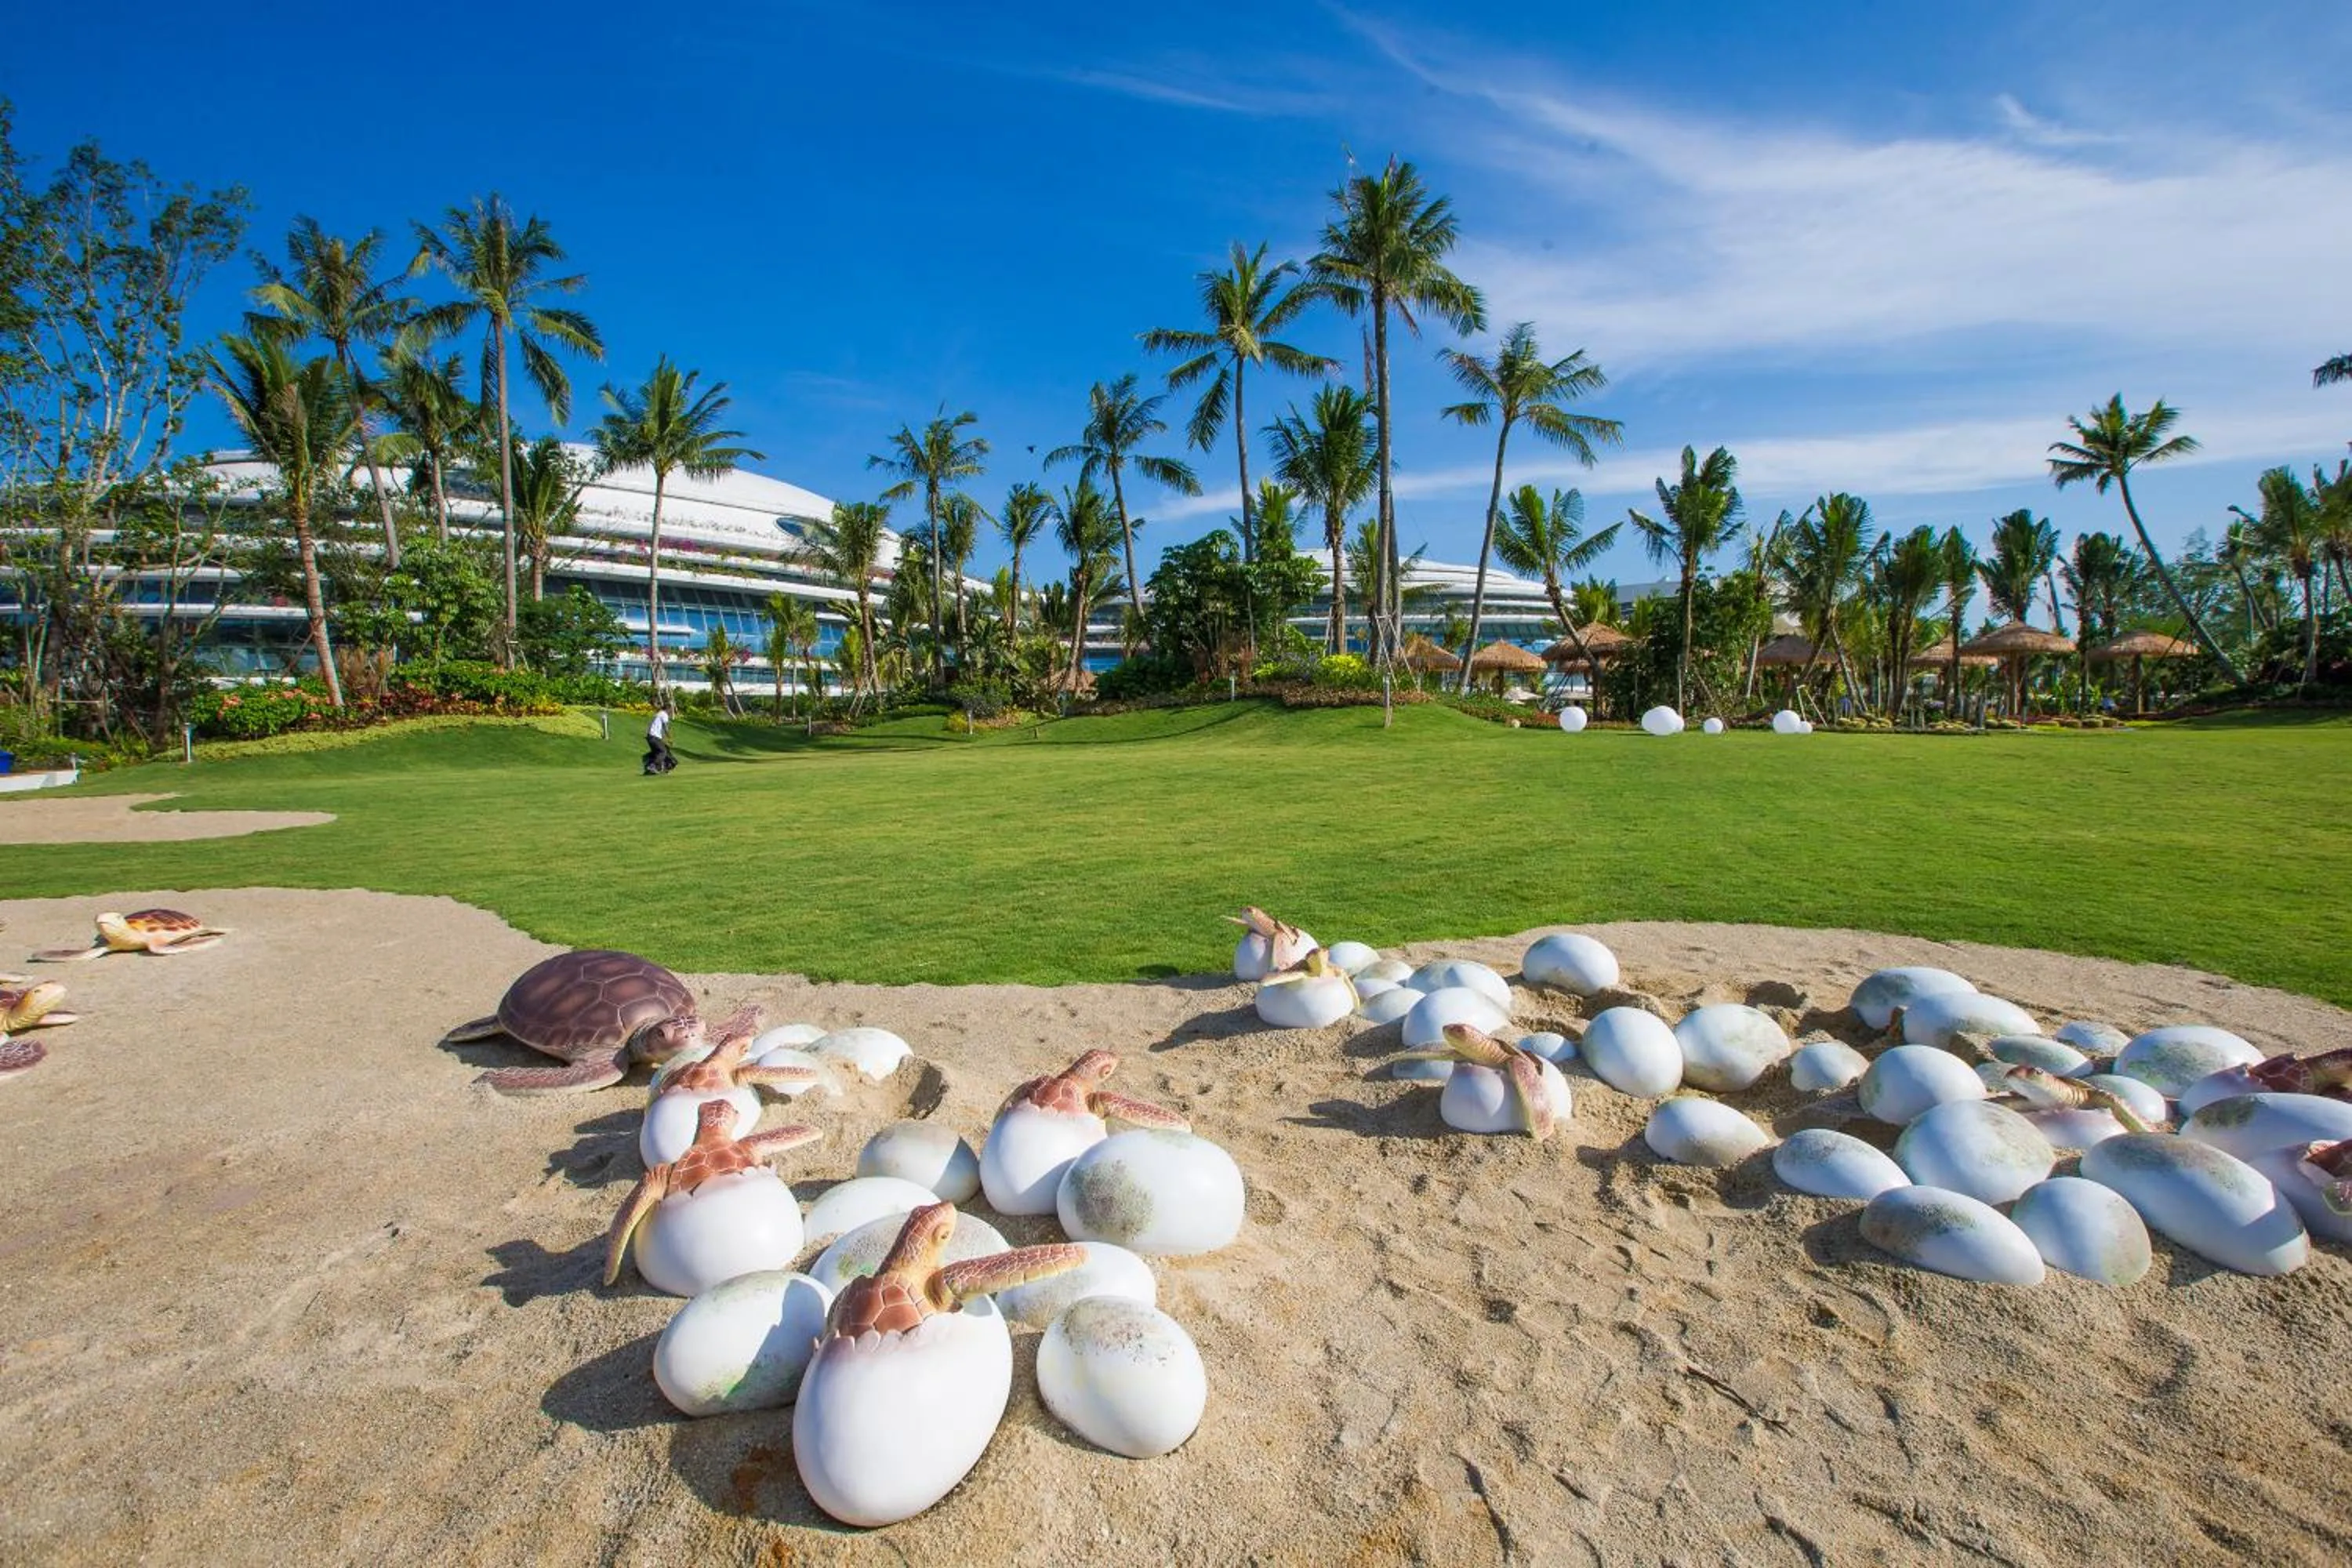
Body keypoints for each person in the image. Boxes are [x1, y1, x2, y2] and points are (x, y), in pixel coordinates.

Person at [643, 699, 677, 775]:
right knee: (663, 751)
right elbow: (666, 728)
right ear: (668, 708)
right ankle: (653, 766)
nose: (672, 710)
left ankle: (650, 765)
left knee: (658, 752)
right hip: (654, 736)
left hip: (651, 736)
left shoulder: (660, 713)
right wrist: (670, 739)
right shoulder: (664, 715)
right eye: (672, 708)